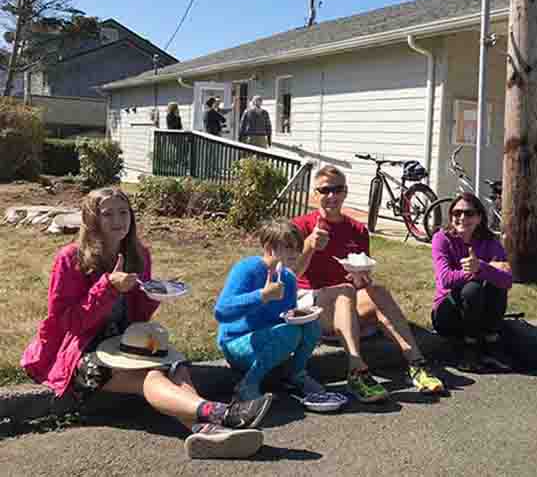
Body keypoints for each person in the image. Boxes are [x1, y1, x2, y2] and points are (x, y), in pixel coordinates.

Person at [20, 188, 273, 460]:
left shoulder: (138, 254)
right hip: (80, 352)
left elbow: (139, 317)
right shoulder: (71, 258)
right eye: (108, 214)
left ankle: (205, 430)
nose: (118, 220)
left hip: (126, 343)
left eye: (124, 212)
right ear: (91, 220)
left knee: (176, 365)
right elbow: (65, 322)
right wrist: (107, 287)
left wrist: (153, 296)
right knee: (151, 375)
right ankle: (222, 413)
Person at [292, 165, 445, 402]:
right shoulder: (300, 226)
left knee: (377, 291)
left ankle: (416, 364)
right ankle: (357, 371)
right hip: (313, 308)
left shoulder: (357, 229)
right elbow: (289, 276)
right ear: (315, 194)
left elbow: (360, 276)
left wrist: (362, 279)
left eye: (337, 189)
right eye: (325, 190)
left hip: (347, 306)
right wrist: (309, 246)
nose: (331, 196)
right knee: (344, 292)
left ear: (345, 192)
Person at [215, 220, 347, 412]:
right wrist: (262, 296)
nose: (295, 253)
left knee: (311, 326)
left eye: (297, 247)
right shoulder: (247, 269)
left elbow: (286, 317)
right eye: (288, 247)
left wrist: (302, 316)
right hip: (237, 342)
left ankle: (296, 375)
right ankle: (247, 386)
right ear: (269, 248)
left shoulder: (288, 278)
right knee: (291, 333)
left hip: (268, 339)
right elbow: (221, 312)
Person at [430, 193, 513, 372]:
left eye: (469, 213)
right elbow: (446, 280)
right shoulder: (441, 239)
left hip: (479, 312)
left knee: (495, 285)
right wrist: (483, 270)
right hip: (447, 313)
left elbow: (507, 281)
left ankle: (491, 343)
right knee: (473, 289)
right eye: (457, 213)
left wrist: (481, 267)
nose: (462, 218)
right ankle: (469, 347)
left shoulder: (490, 242)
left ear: (479, 217)